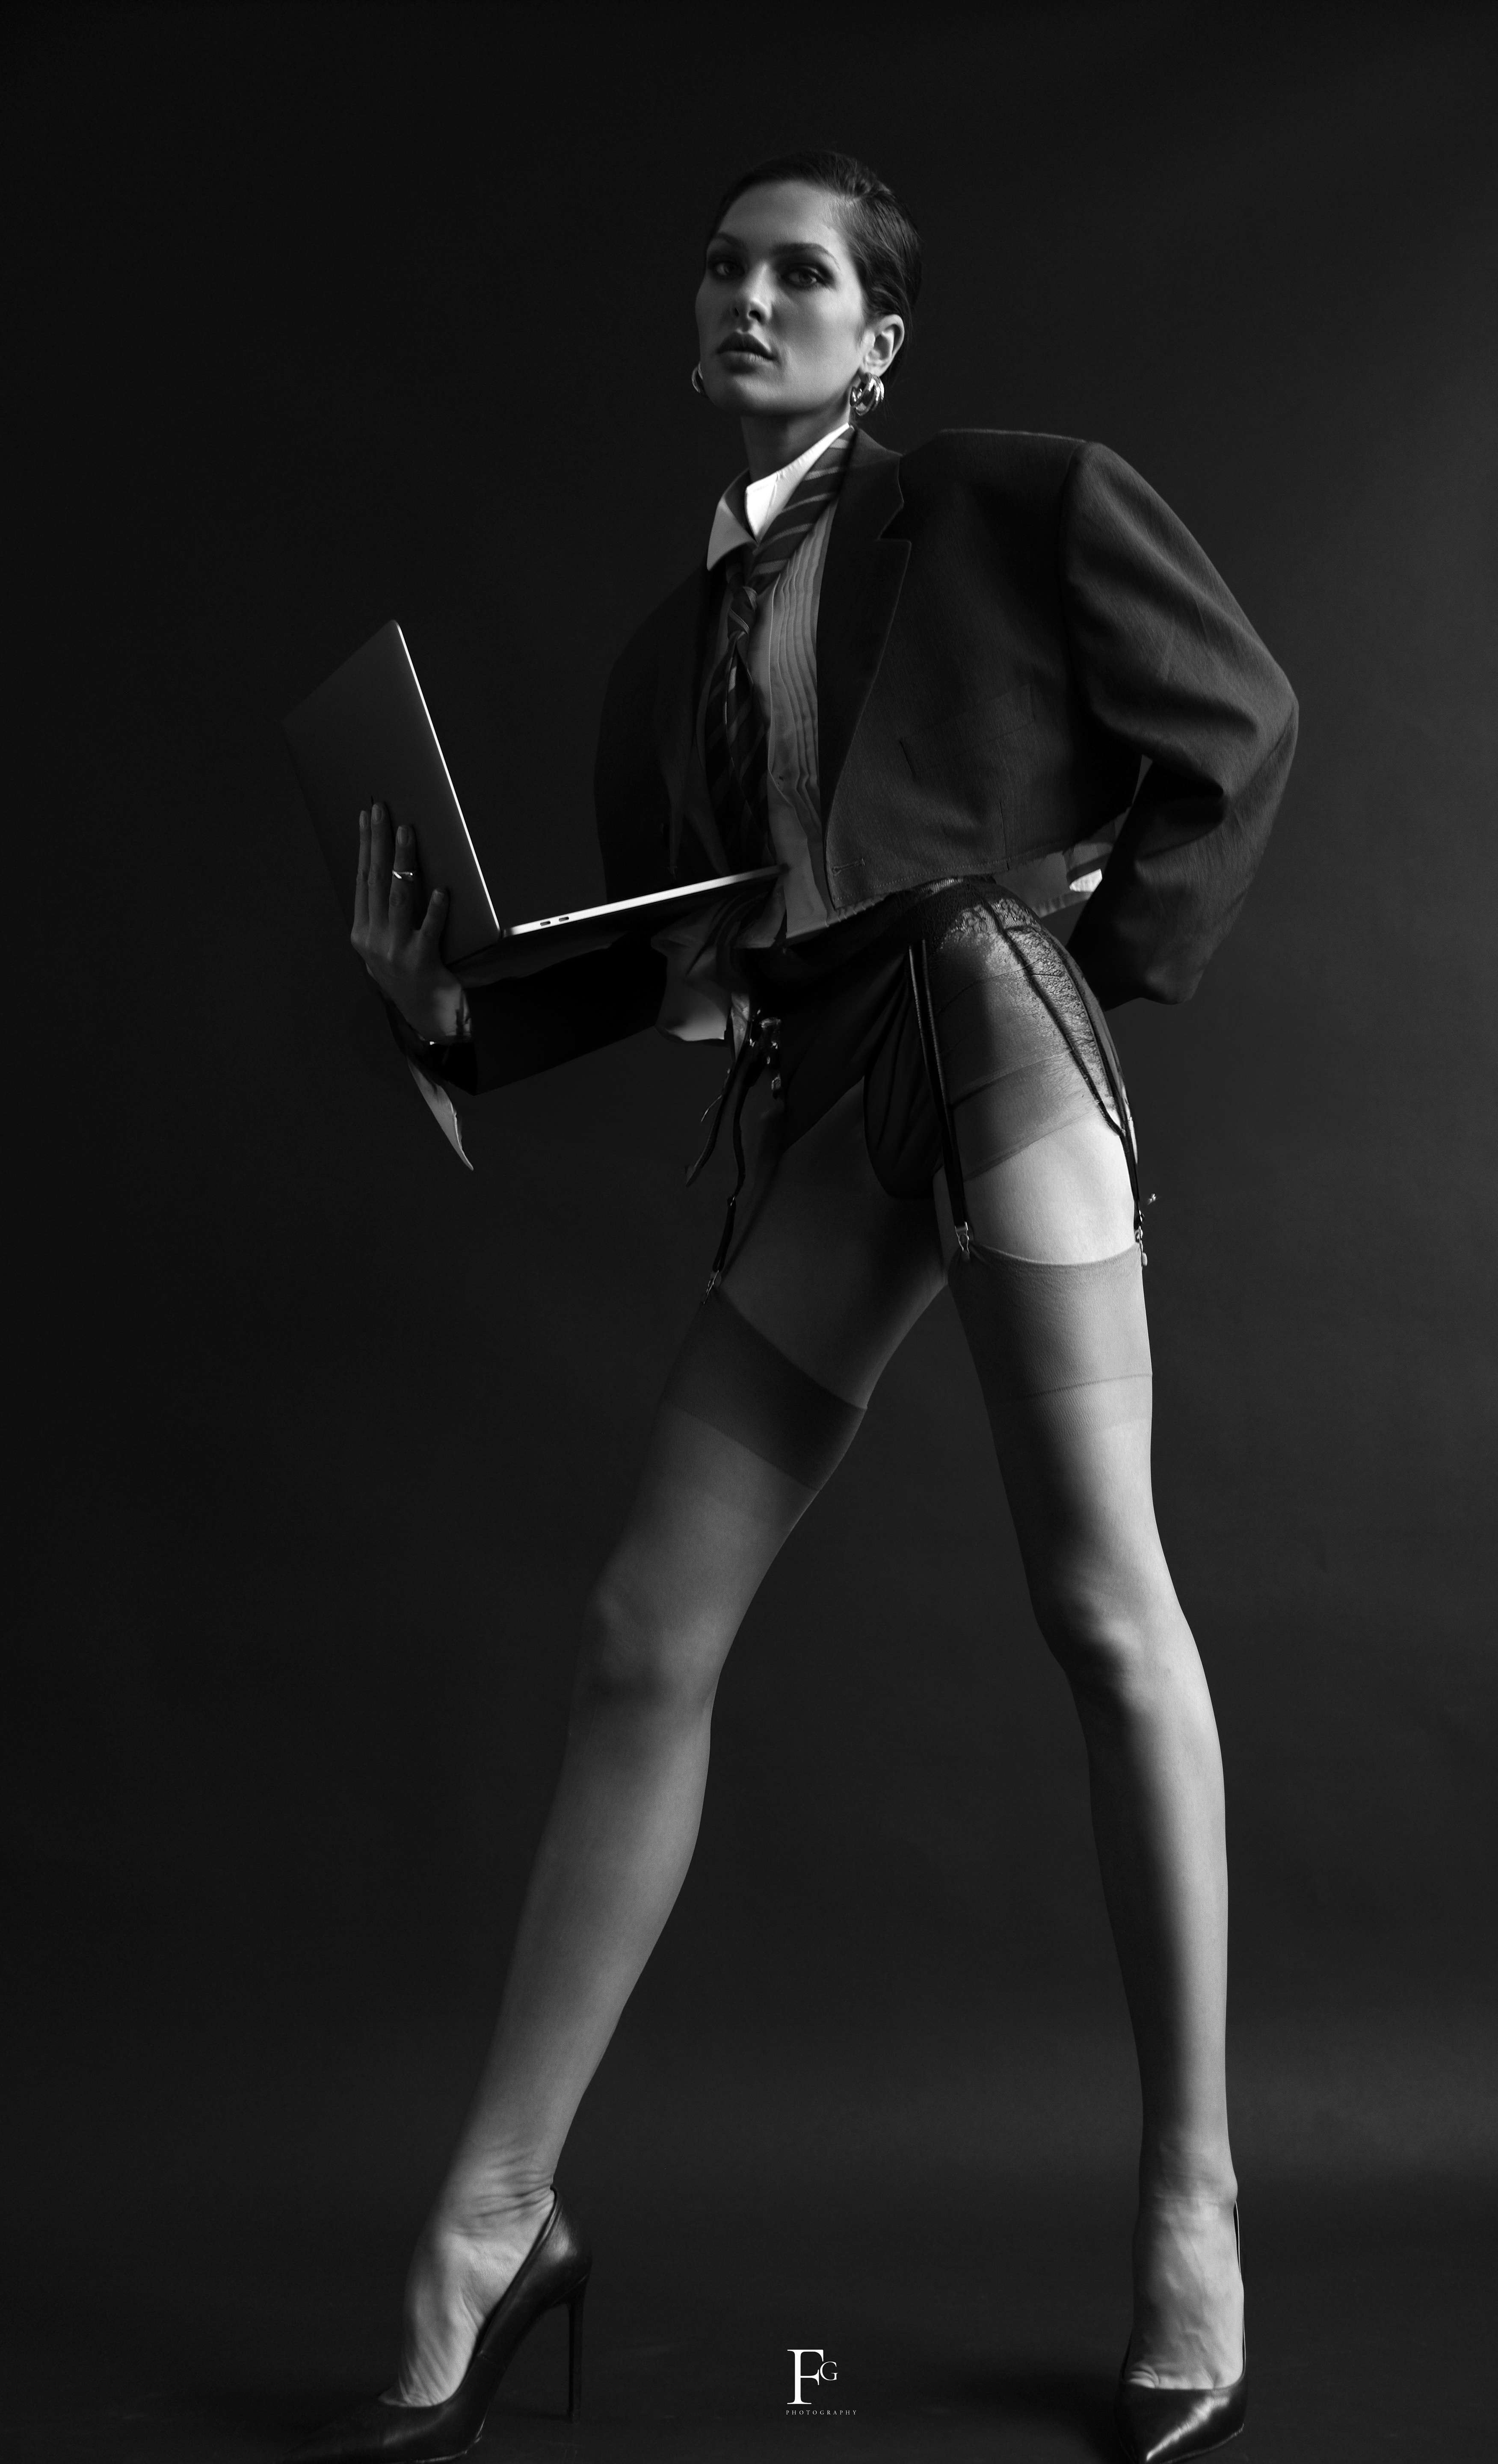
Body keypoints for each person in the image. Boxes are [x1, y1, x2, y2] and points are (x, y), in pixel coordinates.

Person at [292, 149, 1297, 2464]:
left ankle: (1194, 2208)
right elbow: (683, 957)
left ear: (880, 336)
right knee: (645, 1627)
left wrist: (1084, 951)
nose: (753, 294)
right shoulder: (666, 659)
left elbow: (1237, 726)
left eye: (804, 271)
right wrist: (436, 1007)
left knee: (1102, 1600)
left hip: (996, 1023)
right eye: (727, 266)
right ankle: (497, 2215)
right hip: (833, 1086)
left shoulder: (1013, 500)